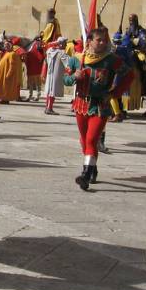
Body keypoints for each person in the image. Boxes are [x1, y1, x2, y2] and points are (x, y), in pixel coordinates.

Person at [63, 28, 133, 190]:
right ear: (89, 41)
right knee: (83, 140)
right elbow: (66, 80)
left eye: (104, 40)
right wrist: (75, 77)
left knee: (91, 140)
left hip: (100, 106)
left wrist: (115, 93)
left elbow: (129, 75)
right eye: (98, 39)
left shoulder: (111, 60)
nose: (102, 42)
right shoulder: (77, 59)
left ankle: (85, 174)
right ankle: (93, 167)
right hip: (81, 105)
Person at [43, 37, 69, 114]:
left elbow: (47, 61)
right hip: (56, 74)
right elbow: (68, 64)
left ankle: (47, 107)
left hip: (50, 74)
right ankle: (49, 108)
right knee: (52, 92)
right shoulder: (62, 53)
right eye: (65, 43)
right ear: (61, 44)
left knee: (49, 92)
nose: (66, 44)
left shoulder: (49, 51)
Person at [0, 38, 23, 104]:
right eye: (5, 45)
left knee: (6, 87)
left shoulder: (12, 54)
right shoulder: (7, 53)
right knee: (3, 87)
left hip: (6, 75)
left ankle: (5, 99)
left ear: (11, 45)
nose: (5, 46)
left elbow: (12, 66)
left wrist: (8, 74)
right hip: (3, 74)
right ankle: (3, 98)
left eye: (7, 45)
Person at [24, 36, 45, 102]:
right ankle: (32, 95)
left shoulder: (40, 47)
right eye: (37, 40)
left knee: (36, 83)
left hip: (36, 69)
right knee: (32, 83)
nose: (38, 42)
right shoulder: (32, 47)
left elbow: (42, 57)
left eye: (39, 40)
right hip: (33, 68)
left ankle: (36, 95)